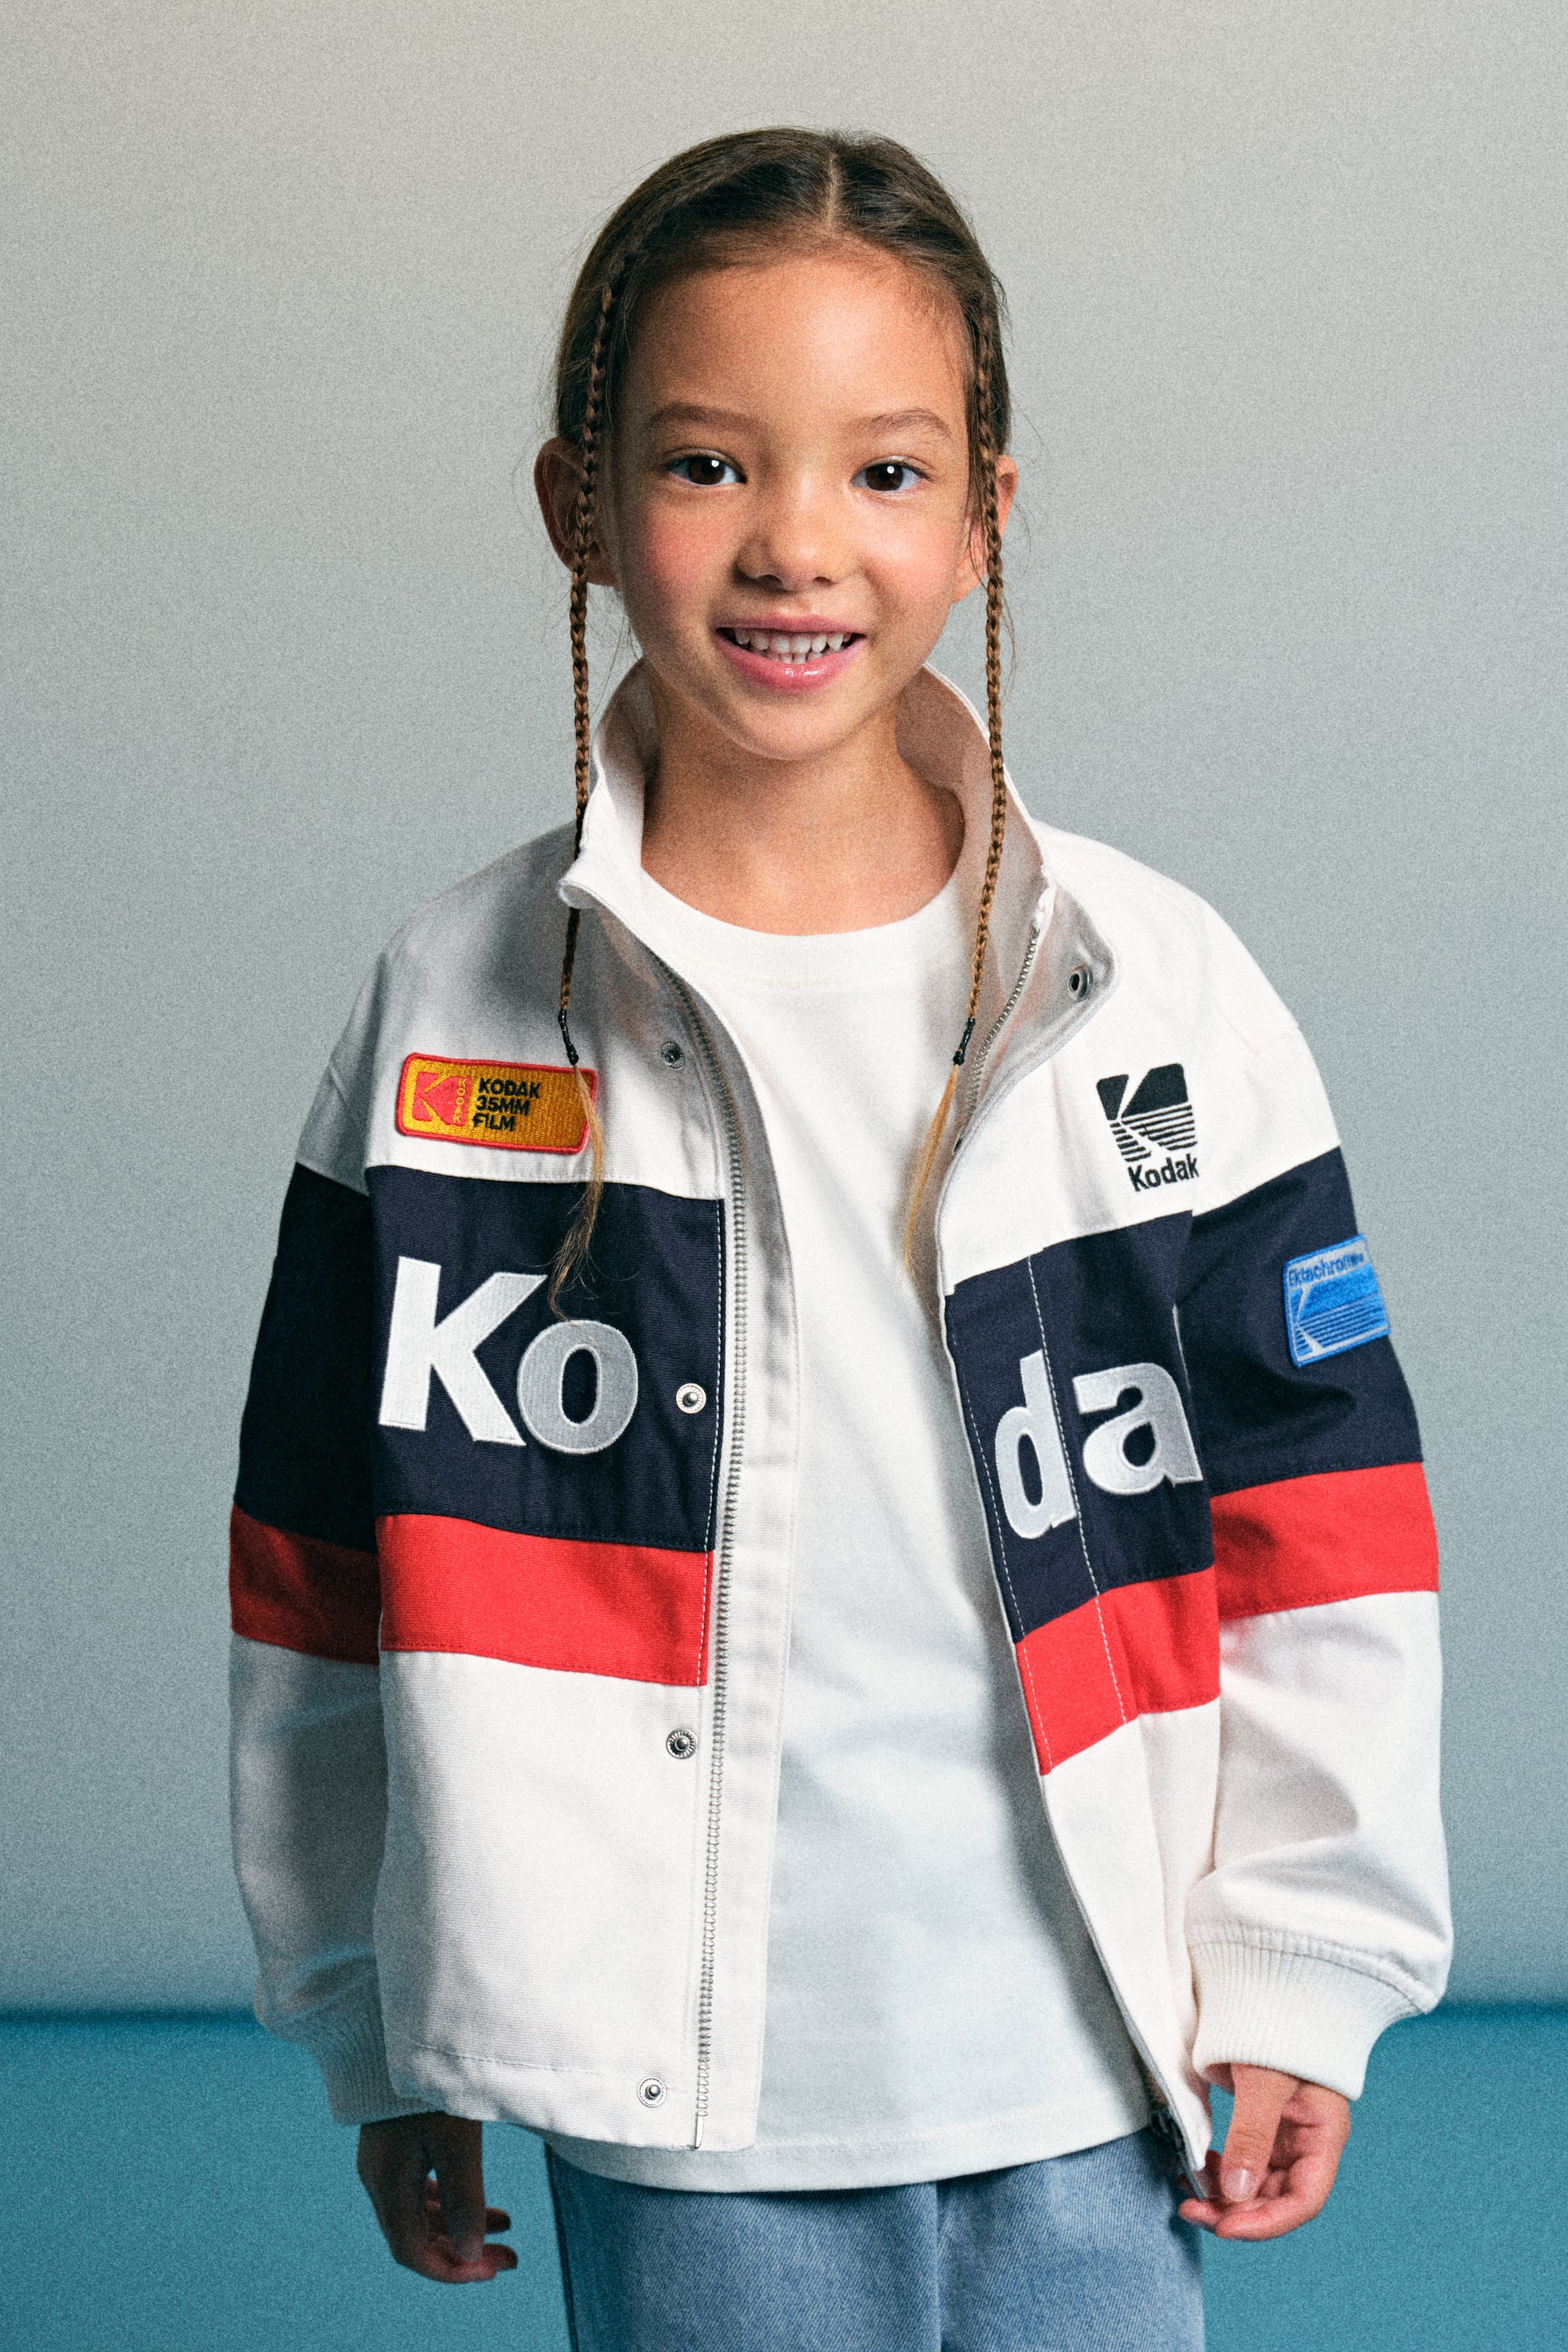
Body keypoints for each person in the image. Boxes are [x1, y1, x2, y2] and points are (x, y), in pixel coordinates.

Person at [229, 129, 1451, 2348]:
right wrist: (376, 2023)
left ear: (988, 511)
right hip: (685, 2113)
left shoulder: (1156, 992)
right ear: (577, 504)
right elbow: (321, 1563)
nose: (797, 540)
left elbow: (1323, 1528)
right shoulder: (449, 1012)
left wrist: (1308, 1960)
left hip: (1092, 2061)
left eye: (886, 472)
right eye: (707, 462)